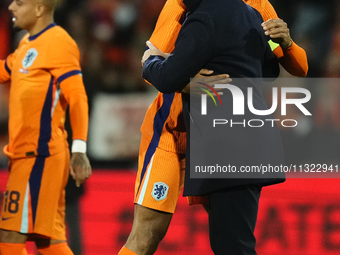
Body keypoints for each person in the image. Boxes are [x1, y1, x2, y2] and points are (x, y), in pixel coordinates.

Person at [119, 0, 308, 254]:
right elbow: (156, 66)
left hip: (214, 137)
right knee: (147, 233)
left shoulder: (256, 7)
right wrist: (193, 85)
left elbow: (290, 65)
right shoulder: (180, 5)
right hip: (172, 132)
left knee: (228, 236)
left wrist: (287, 43)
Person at [0, 0, 91, 255]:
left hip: (40, 154)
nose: (11, 8)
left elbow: (77, 97)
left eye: (19, 3)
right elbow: (6, 70)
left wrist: (79, 149)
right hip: (25, 156)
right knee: (49, 241)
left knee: (9, 236)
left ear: (39, 9)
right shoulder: (26, 44)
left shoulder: (59, 43)